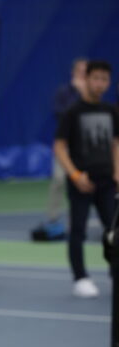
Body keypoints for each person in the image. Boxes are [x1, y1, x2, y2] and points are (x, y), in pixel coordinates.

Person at [54, 60, 119, 298]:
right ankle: (80, 277)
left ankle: (115, 274)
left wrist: (117, 171)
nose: (100, 83)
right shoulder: (72, 112)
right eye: (96, 78)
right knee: (78, 231)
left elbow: (116, 143)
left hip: (107, 182)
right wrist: (74, 174)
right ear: (87, 79)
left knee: (113, 231)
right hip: (81, 182)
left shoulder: (111, 111)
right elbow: (59, 146)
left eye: (104, 79)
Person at [45, 58, 88, 227]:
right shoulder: (64, 92)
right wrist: (78, 94)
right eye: (80, 71)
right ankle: (53, 217)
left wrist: (83, 93)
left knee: (80, 183)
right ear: (73, 73)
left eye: (85, 72)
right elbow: (62, 115)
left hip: (84, 147)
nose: (82, 75)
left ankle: (76, 219)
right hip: (64, 146)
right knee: (59, 179)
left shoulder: (90, 95)